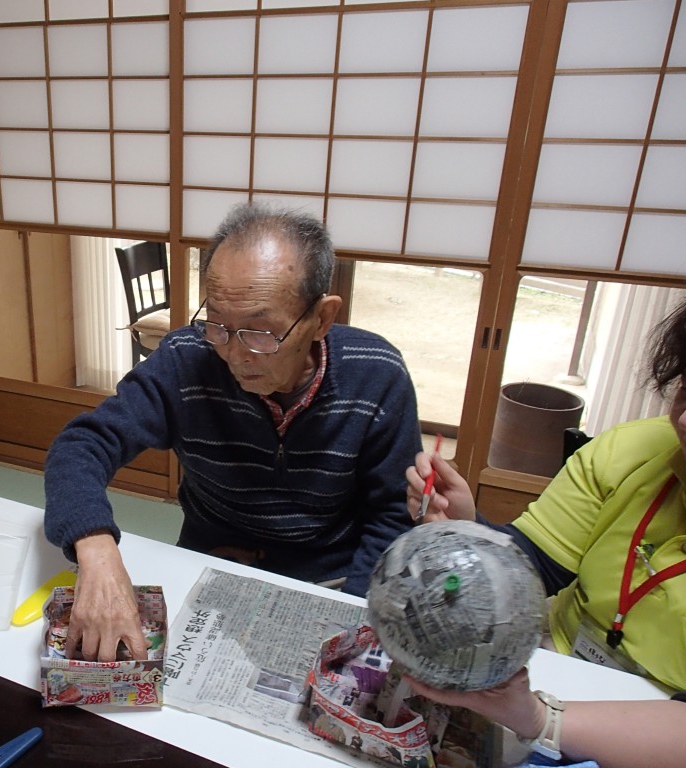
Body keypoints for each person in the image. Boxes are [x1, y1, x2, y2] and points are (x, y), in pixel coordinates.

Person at [45, 203, 421, 662]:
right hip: (209, 567)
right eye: (219, 324)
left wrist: (354, 620)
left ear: (322, 319)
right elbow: (82, 445)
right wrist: (97, 549)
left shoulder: (377, 374)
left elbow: (392, 517)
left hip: (329, 582)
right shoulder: (187, 359)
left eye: (261, 332)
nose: (236, 355)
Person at [404, 298, 686, 766]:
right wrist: (470, 536)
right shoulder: (635, 450)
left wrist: (541, 719)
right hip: (555, 660)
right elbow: (534, 565)